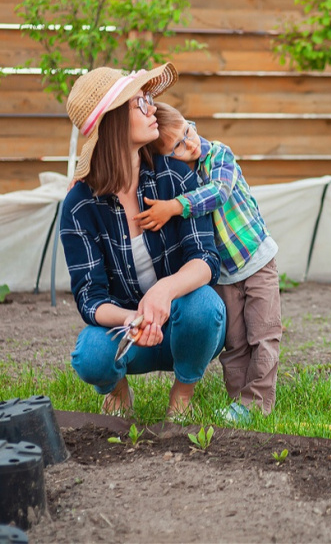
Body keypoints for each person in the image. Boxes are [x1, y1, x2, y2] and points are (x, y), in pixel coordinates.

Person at [59, 64, 226, 419]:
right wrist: (135, 317)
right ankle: (117, 390)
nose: (153, 109)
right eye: (140, 103)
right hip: (131, 334)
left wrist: (163, 292)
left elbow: (205, 259)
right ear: (115, 121)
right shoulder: (79, 207)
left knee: (204, 307)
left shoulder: (175, 177)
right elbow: (90, 299)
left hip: (185, 326)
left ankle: (182, 395)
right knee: (90, 356)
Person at [133, 102, 281, 423]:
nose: (191, 142)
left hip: (256, 260)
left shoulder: (219, 155)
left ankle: (258, 402)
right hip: (226, 274)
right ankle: (238, 403)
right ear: (167, 159)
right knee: (236, 341)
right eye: (179, 146)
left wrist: (175, 206)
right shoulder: (181, 177)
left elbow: (220, 192)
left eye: (189, 130)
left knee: (263, 335)